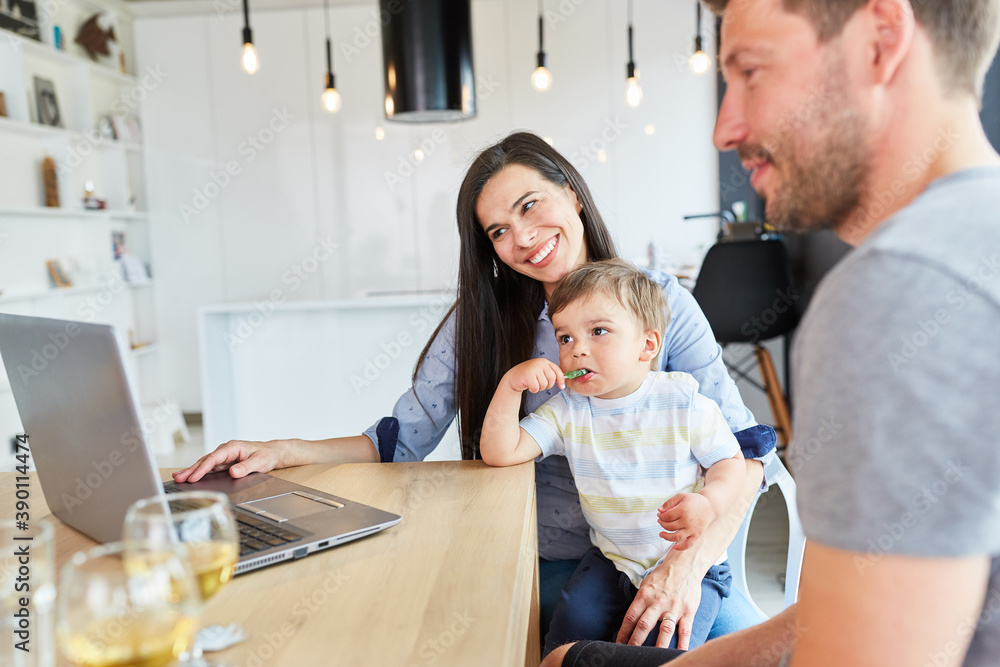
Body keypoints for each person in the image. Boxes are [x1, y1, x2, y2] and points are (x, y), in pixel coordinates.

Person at [173, 131, 777, 649]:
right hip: (539, 554)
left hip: (670, 557)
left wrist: (686, 567)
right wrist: (284, 450)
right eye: (498, 230)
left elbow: (748, 455)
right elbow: (399, 439)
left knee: (771, 653)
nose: (523, 237)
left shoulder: (661, 303)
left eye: (531, 205)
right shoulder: (482, 319)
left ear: (571, 190)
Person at [542, 0, 1000, 665]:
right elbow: (856, 614)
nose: (725, 128)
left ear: (880, 39)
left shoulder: (902, 285)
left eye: (751, 71)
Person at [481, 259, 746, 656]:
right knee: (567, 632)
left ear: (648, 345)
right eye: (565, 338)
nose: (577, 349)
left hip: (693, 567)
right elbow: (502, 452)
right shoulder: (568, 408)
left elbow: (732, 464)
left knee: (666, 644)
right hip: (610, 562)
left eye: (598, 332)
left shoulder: (684, 402)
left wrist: (709, 502)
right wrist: (509, 388)